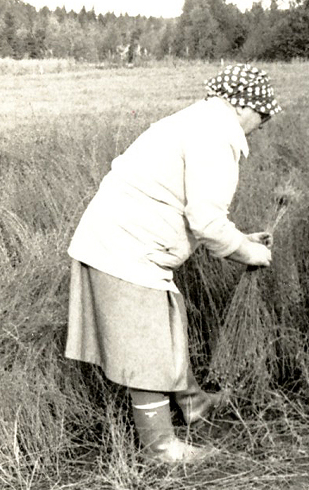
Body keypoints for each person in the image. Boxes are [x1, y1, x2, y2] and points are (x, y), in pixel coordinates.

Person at [66, 64, 280, 464]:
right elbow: (206, 220)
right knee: (145, 346)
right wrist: (250, 253)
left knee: (166, 324)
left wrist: (239, 239)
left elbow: (184, 208)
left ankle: (193, 402)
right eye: (263, 116)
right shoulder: (218, 136)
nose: (262, 125)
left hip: (118, 239)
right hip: (124, 249)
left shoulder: (197, 120)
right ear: (245, 107)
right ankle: (160, 447)